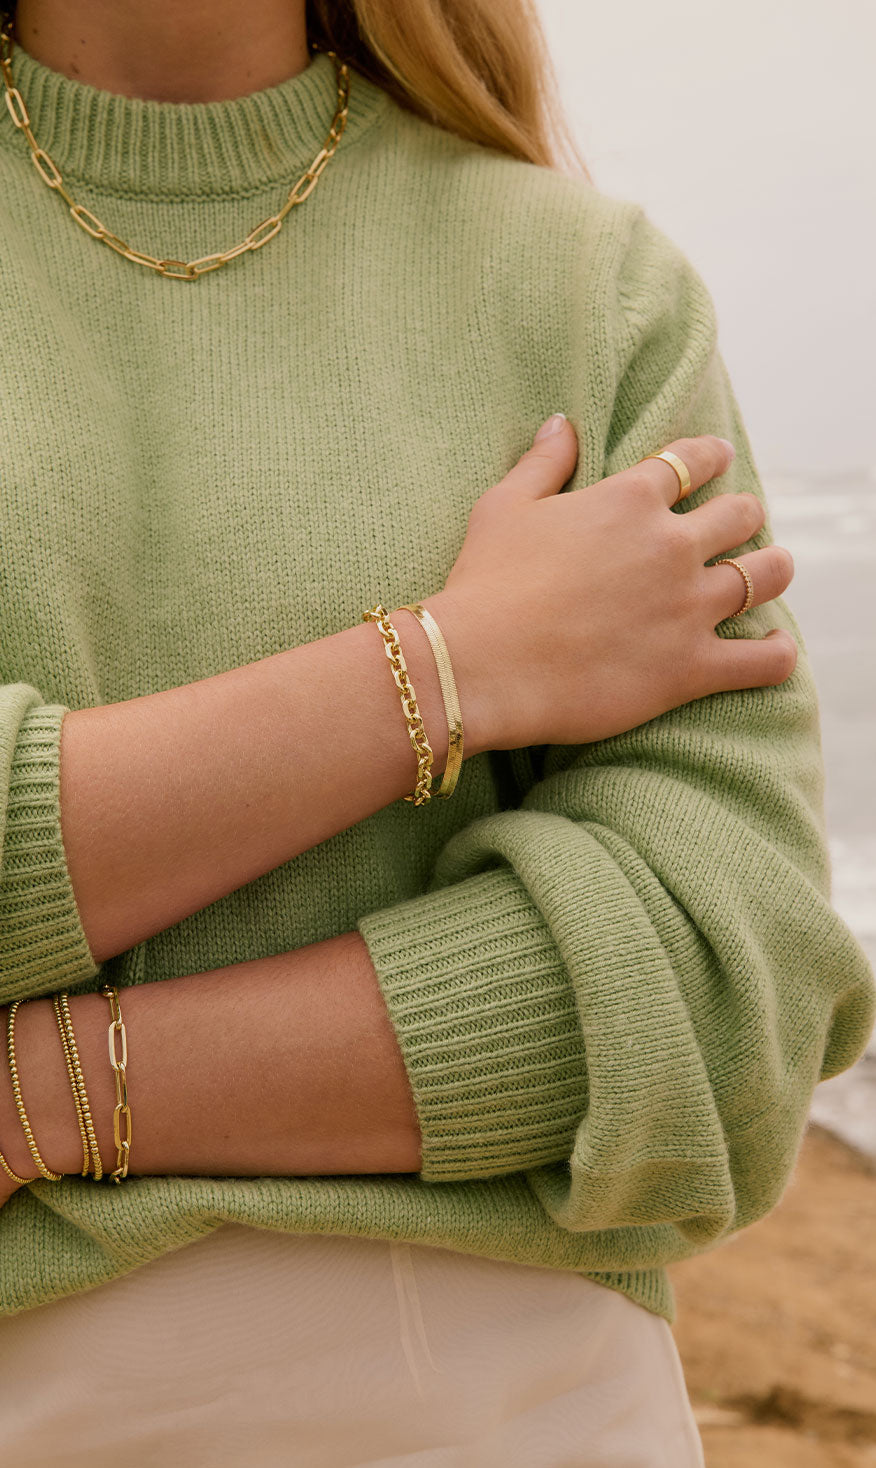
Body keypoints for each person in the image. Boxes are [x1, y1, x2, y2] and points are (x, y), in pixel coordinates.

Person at [0, 0, 872, 1463]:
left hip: (519, 1419)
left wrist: (55, 1091)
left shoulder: (585, 287)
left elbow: (731, 991)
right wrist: (454, 663)